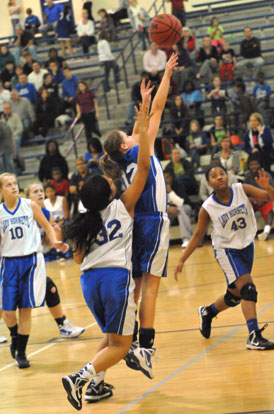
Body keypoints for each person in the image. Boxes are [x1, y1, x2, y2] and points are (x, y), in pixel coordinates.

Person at [61, 101, 151, 410]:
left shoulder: (85, 218)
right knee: (123, 344)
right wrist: (143, 121)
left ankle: (96, 386)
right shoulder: (124, 204)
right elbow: (144, 166)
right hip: (115, 279)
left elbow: (76, 259)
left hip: (89, 281)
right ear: (110, 192)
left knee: (112, 339)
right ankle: (80, 377)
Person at [101, 56, 178, 363]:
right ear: (124, 146)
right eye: (128, 134)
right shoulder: (137, 149)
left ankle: (125, 337)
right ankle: (144, 346)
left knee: (136, 287)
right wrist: (165, 79)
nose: (132, 132)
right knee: (151, 288)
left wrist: (164, 78)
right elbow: (154, 114)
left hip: (139, 225)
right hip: (154, 221)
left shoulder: (131, 151)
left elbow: (154, 111)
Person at [175, 165, 274, 351]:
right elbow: (197, 236)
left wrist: (267, 187)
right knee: (248, 289)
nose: (219, 177)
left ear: (227, 176)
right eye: (214, 176)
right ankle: (254, 336)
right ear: (208, 182)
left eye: (221, 173)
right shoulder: (207, 208)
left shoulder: (241, 189)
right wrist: (182, 259)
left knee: (236, 295)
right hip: (227, 250)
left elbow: (270, 198)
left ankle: (208, 312)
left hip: (246, 245)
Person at [0, 173, 68, 368]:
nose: (13, 187)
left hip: (31, 260)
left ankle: (21, 352)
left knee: (25, 309)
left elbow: (47, 226)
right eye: (8, 185)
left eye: (15, 183)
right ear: (1, 190)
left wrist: (54, 241)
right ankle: (15, 336)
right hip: (8, 263)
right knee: (7, 311)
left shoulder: (29, 205)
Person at [25, 182, 85, 338]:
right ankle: (63, 325)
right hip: (16, 261)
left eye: (41, 191)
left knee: (49, 288)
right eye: (35, 191)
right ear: (27, 198)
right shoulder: (23, 213)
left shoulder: (46, 213)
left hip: (34, 260)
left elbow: (50, 243)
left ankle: (63, 325)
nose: (40, 193)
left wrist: (55, 232)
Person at [244, 155, 273, 241]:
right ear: (249, 166)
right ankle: (246, 234)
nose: (254, 166)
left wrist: (263, 200)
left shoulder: (266, 174)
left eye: (256, 164)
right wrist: (250, 199)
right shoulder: (247, 176)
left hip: (265, 200)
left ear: (259, 165)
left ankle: (266, 232)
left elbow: (272, 191)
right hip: (253, 201)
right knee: (243, 208)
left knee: (270, 210)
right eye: (252, 164)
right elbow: (245, 192)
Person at [165, 169, 193, 248]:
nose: (166, 180)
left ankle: (186, 238)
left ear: (171, 177)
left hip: (185, 207)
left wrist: (170, 191)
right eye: (164, 178)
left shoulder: (178, 184)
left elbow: (181, 202)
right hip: (170, 210)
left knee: (180, 209)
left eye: (167, 177)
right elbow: (160, 203)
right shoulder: (161, 187)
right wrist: (168, 208)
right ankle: (161, 241)